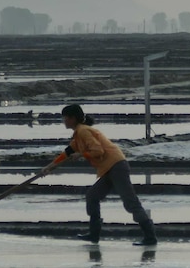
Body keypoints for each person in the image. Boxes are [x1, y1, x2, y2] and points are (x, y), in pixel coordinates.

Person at [43, 104, 157, 246]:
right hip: (109, 169)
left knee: (130, 202)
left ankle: (150, 237)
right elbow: (67, 153)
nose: (63, 121)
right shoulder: (79, 135)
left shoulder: (84, 131)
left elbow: (98, 151)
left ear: (72, 119)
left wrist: (81, 154)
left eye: (65, 118)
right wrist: (50, 167)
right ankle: (94, 234)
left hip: (116, 166)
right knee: (92, 196)